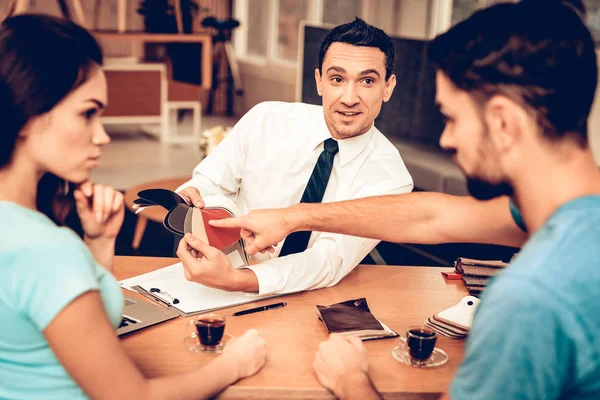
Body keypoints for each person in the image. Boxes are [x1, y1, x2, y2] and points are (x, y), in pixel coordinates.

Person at [213, 0, 600, 398]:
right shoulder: (573, 211)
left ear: (503, 123)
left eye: (451, 118)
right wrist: (294, 217)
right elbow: (430, 217)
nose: (447, 140)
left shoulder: (533, 297)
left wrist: (350, 380)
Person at [0, 14, 266, 399]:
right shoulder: (46, 250)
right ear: (28, 110)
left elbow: (70, 330)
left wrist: (98, 243)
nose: (102, 135)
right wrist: (235, 364)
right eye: (87, 113)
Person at [175, 18, 413, 296]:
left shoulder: (392, 179)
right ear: (319, 82)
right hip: (218, 275)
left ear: (388, 87)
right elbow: (209, 184)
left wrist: (240, 280)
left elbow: (328, 260)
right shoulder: (267, 119)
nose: (349, 97)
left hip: (310, 296)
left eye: (367, 81)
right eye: (337, 79)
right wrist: (194, 200)